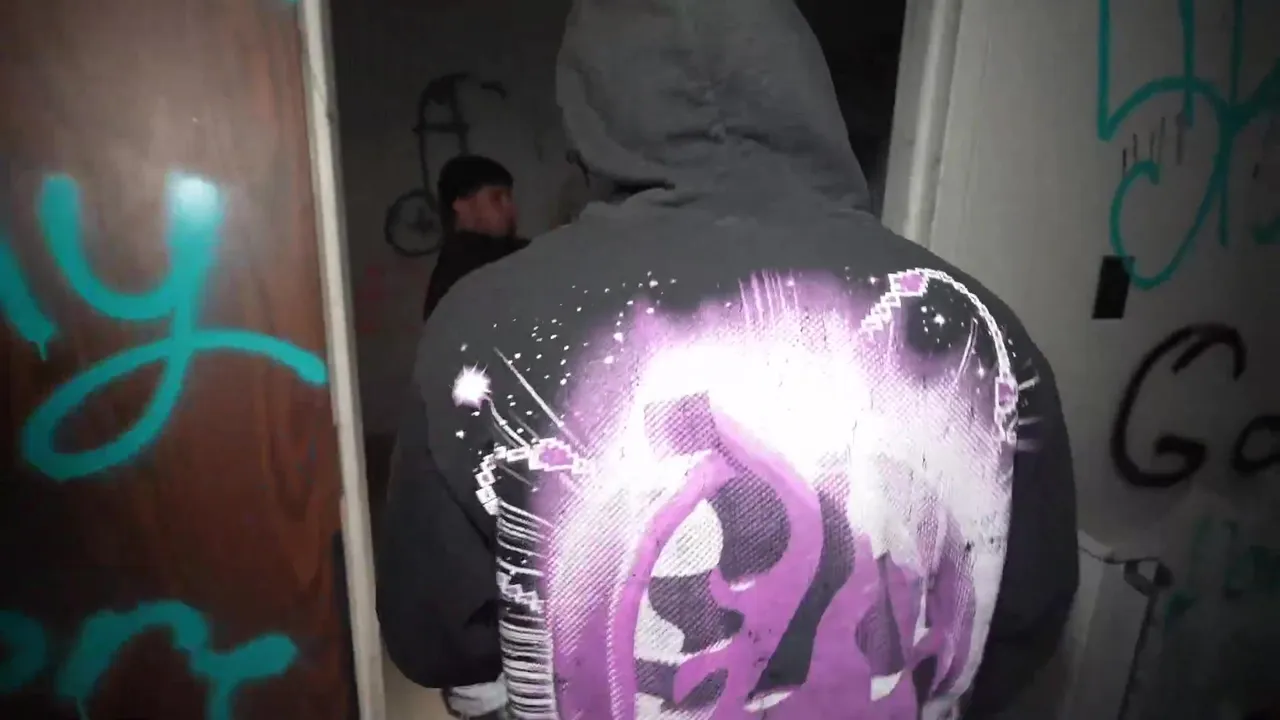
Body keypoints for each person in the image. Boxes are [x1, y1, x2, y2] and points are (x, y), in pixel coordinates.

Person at [379, 0, 1078, 717]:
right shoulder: (986, 331)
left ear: (595, 101)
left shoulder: (480, 322)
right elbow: (1024, 619)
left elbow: (436, 637)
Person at [422, 155, 528, 321]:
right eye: (496, 197)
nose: (510, 207)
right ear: (461, 205)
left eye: (509, 197)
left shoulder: (513, 254)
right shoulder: (459, 275)